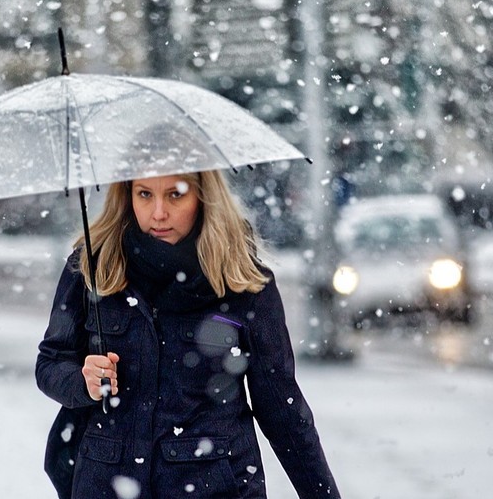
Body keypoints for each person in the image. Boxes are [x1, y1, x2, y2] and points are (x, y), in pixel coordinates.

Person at [35, 170, 340, 498]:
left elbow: (281, 408)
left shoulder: (242, 281)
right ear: (126, 196)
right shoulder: (94, 267)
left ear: (203, 196)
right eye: (145, 194)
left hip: (214, 485)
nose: (159, 212)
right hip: (106, 483)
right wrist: (84, 382)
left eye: (175, 194)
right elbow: (51, 362)